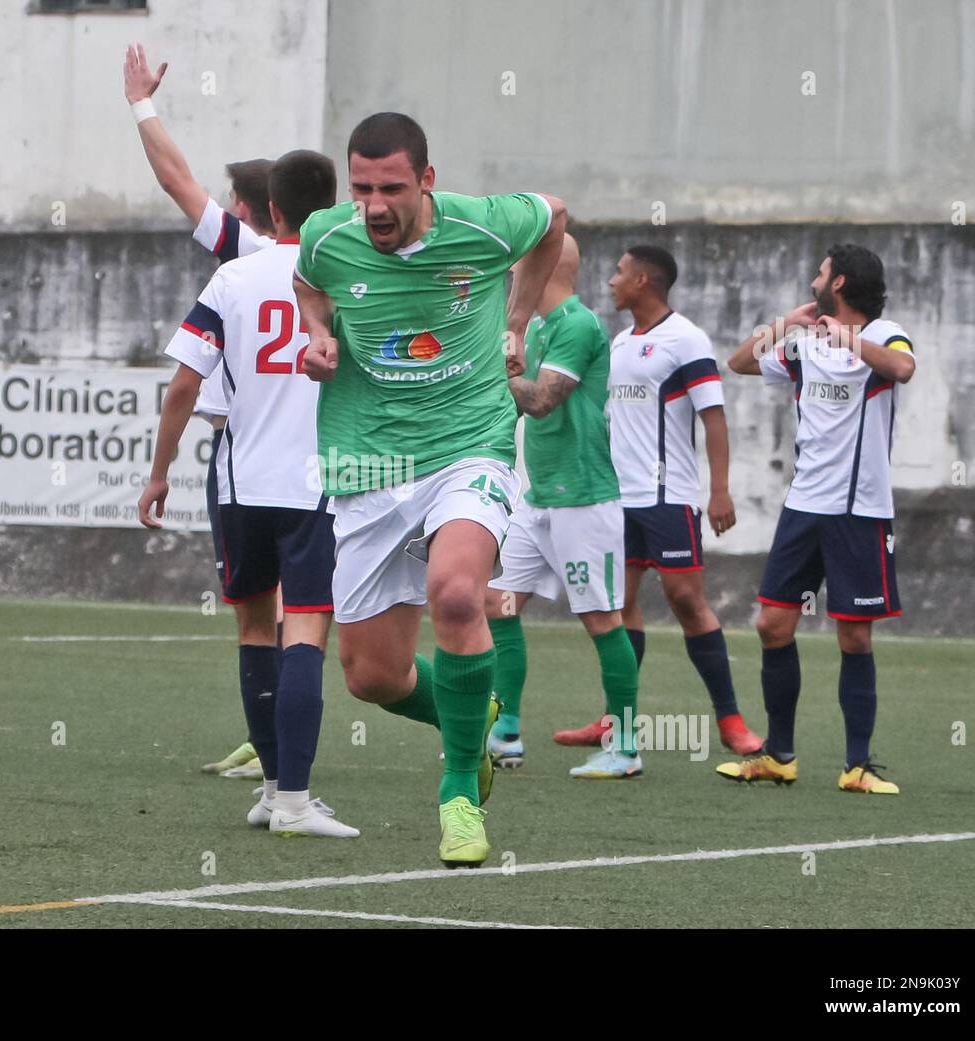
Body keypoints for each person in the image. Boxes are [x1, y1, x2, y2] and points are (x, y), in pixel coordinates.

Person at [293, 112, 566, 866]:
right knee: (373, 677)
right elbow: (308, 283)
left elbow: (556, 221)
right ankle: (470, 709)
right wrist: (318, 332)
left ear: (427, 181)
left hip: (466, 447)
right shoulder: (326, 234)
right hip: (370, 464)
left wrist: (516, 318)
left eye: (392, 188)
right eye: (361, 188)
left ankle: (458, 796)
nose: (374, 206)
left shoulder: (483, 227)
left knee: (455, 594)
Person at [140, 150, 358, 836]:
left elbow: (184, 384)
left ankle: (270, 790)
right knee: (307, 631)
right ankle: (294, 801)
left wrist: (158, 472)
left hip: (238, 483)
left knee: (254, 629)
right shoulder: (351, 277)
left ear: (270, 210)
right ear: (335, 209)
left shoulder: (233, 276)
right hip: (314, 484)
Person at [125, 41, 278, 780]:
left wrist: (140, 102)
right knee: (301, 609)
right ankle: (278, 742)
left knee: (264, 611)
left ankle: (277, 744)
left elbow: (174, 178)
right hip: (316, 460)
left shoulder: (248, 254)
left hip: (249, 456)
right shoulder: (343, 265)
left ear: (265, 211)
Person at [719, 244, 914, 794]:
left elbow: (901, 368)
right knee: (771, 625)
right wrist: (785, 325)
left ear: (841, 282)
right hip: (803, 508)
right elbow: (736, 363)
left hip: (860, 513)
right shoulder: (803, 347)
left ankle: (857, 766)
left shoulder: (886, 333)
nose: (812, 281)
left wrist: (848, 339)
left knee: (854, 638)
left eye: (820, 274)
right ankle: (780, 754)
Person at [555, 246, 764, 756]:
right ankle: (615, 721)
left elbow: (713, 417)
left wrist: (718, 490)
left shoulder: (687, 339)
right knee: (617, 605)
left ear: (644, 280)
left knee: (687, 602)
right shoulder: (621, 341)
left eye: (619, 271)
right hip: (613, 498)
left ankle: (731, 721)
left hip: (667, 498)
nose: (610, 281)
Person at [484, 233, 642, 778]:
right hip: (538, 496)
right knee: (495, 604)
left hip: (583, 497)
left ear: (544, 265)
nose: (513, 274)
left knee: (601, 619)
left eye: (522, 263)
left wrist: (486, 374)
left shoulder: (576, 325)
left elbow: (544, 401)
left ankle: (625, 746)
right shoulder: (536, 327)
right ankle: (505, 733)